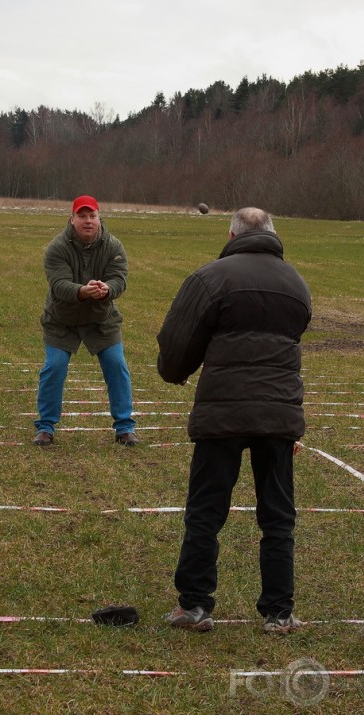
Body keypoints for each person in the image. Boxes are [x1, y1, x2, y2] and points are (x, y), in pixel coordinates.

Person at [157, 207, 311, 633]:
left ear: (231, 234)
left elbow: (177, 340)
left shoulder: (211, 277)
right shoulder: (296, 284)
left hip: (222, 411)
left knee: (206, 511)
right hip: (278, 412)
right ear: (274, 234)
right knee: (278, 516)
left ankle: (194, 605)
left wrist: (174, 371)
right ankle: (279, 612)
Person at [33, 195, 138, 447]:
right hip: (62, 319)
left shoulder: (113, 246)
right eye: (82, 216)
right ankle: (46, 427)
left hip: (101, 318)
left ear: (99, 219)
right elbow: (59, 286)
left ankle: (125, 428)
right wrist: (83, 291)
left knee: (116, 365)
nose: (88, 221)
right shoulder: (57, 248)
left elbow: (119, 279)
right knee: (54, 367)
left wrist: (107, 289)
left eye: (92, 216)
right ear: (72, 220)